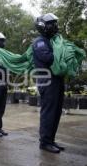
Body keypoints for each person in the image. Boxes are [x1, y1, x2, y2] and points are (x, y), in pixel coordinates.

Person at [33, 13, 65, 153]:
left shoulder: (51, 41)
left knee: (56, 112)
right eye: (52, 23)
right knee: (49, 112)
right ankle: (45, 142)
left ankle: (51, 140)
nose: (55, 26)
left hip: (56, 80)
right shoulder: (40, 42)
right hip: (47, 81)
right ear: (43, 26)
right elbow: (49, 58)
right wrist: (61, 52)